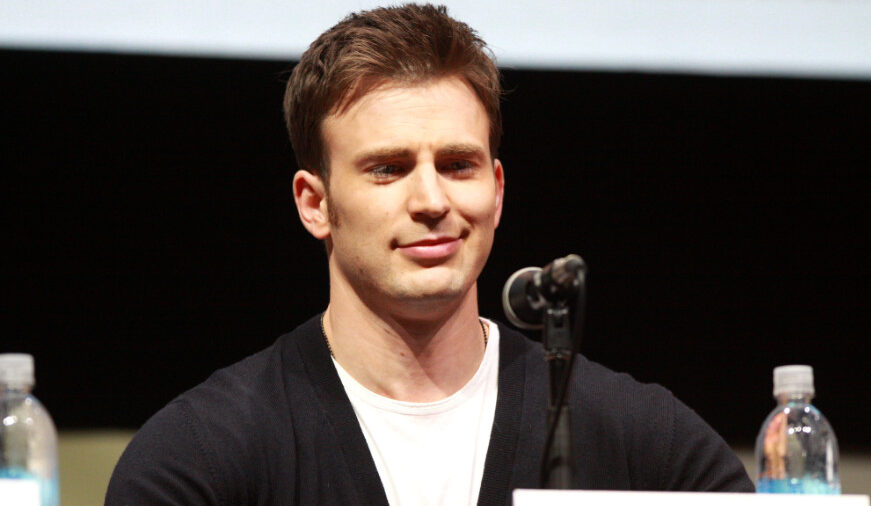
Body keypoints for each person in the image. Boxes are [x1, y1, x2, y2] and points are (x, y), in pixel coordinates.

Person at [105, 4, 753, 505]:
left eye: (457, 164)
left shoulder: (647, 445)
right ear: (314, 203)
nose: (432, 200)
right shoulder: (199, 460)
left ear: (496, 191)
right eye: (387, 169)